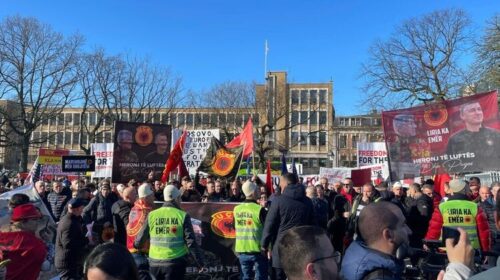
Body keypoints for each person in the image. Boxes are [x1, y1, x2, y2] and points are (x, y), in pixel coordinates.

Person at [134, 184, 204, 279]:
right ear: (176, 199)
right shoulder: (182, 216)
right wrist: (199, 263)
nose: (180, 201)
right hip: (175, 263)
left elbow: (139, 240)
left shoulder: (152, 215)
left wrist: (136, 245)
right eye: (179, 198)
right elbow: (191, 242)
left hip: (154, 263)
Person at [261, 173, 316, 280]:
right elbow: (313, 226)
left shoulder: (278, 201)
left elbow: (269, 225)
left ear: (285, 184)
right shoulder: (308, 202)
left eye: (280, 183)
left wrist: (264, 245)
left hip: (281, 248)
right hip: (301, 248)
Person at [341, 201, 411, 280]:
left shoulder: (357, 254)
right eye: (403, 225)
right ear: (388, 234)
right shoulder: (381, 276)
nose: (409, 231)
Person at [425, 179, 491, 252]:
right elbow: (483, 231)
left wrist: (429, 244)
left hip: (447, 249)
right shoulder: (474, 207)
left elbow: (434, 229)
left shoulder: (442, 207)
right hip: (470, 249)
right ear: (464, 190)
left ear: (452, 191)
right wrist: (486, 250)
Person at [446, 101, 500, 172]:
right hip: (467, 176)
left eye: (479, 109)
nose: (477, 113)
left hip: (494, 174)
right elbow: (450, 162)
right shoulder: (454, 139)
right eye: (472, 110)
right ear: (462, 116)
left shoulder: (495, 134)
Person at [0, 204, 47, 280]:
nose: (38, 222)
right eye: (34, 219)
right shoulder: (33, 243)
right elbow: (43, 263)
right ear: (22, 222)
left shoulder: (2, 234)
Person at [233, 180, 268, 280]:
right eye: (257, 189)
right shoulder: (259, 209)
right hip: (258, 251)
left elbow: (234, 226)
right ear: (252, 193)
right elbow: (267, 229)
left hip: (242, 251)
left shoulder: (237, 209)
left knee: (245, 277)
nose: (258, 191)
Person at [127, 183, 155, 280]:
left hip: (132, 252)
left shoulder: (135, 208)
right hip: (140, 253)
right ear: (145, 198)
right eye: (152, 196)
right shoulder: (146, 212)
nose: (154, 197)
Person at [55, 198, 89, 280]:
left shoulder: (72, 219)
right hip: (66, 262)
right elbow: (68, 244)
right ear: (76, 209)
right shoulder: (69, 223)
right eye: (82, 208)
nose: (83, 209)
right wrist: (86, 240)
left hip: (69, 261)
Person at [405, 182, 433, 249]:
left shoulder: (422, 200)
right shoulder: (419, 199)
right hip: (419, 231)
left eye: (410, 191)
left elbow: (424, 215)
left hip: (420, 232)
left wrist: (411, 218)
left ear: (413, 191)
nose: (409, 192)